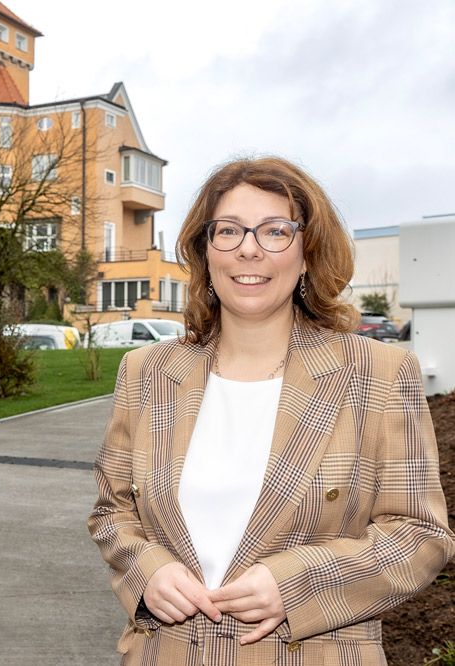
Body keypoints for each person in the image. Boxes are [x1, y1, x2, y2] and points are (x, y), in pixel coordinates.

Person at [88, 156, 454, 664]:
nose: (249, 250)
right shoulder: (145, 373)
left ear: (307, 254)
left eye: (275, 231)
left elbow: (421, 536)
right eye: (229, 231)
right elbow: (113, 511)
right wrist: (148, 570)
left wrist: (295, 583)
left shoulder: (379, 374)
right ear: (205, 251)